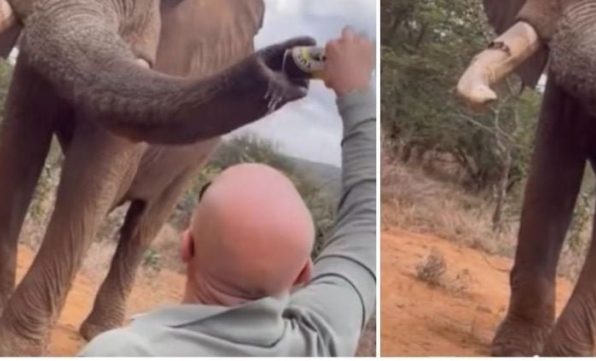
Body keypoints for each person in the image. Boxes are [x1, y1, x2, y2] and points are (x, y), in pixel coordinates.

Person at [81, 27, 376, 356]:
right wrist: (357, 92)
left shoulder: (120, 353)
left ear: (187, 244)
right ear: (304, 273)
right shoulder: (320, 341)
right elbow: (366, 221)